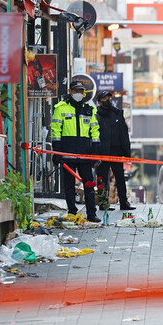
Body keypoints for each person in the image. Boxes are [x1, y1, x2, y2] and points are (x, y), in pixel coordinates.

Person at [52, 81, 101, 222]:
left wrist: (96, 151)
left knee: (89, 184)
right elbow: (56, 131)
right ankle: (72, 212)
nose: (78, 94)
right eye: (76, 91)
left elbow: (95, 131)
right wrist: (57, 151)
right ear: (70, 91)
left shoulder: (89, 110)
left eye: (81, 91)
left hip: (85, 153)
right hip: (68, 153)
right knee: (69, 185)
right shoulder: (60, 109)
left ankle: (92, 213)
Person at [94, 91, 135, 211]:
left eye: (109, 98)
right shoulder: (97, 116)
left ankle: (124, 202)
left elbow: (124, 135)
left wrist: (127, 153)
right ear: (100, 102)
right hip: (103, 153)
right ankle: (103, 202)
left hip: (116, 152)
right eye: (105, 98)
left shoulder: (117, 114)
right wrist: (95, 152)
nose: (108, 100)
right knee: (102, 178)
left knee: (120, 178)